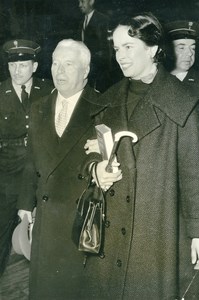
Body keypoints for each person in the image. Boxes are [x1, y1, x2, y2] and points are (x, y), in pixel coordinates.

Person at [83, 13, 199, 299]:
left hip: (155, 230)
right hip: (111, 231)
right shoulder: (109, 99)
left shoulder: (180, 102)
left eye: (129, 47)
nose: (120, 56)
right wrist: (96, 170)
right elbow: (88, 155)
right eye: (116, 48)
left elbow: (195, 175)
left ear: (152, 49)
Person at [17, 39, 102, 299]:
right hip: (45, 220)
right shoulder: (39, 106)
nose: (59, 71)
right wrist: (24, 205)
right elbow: (32, 160)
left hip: (81, 223)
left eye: (68, 64)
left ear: (85, 71)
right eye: (55, 63)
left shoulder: (102, 107)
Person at [0, 39, 53, 276]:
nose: (17, 70)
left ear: (34, 66)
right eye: (13, 65)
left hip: (42, 170)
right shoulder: (1, 94)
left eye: (23, 65)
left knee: (48, 233)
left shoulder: (50, 90)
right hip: (8, 173)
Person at [165, 20, 199, 165]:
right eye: (181, 47)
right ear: (169, 51)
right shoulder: (156, 81)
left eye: (193, 48)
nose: (189, 54)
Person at [77, 0, 111, 92]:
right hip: (86, 67)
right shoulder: (82, 21)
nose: (79, 5)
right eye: (79, 2)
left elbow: (105, 49)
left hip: (98, 70)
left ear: (91, 1)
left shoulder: (103, 20)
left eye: (82, 1)